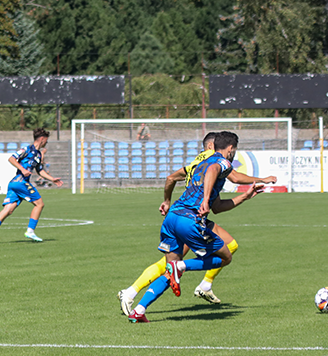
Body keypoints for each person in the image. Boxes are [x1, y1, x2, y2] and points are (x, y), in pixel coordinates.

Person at [118, 133, 277, 313]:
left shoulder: (197, 164)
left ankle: (139, 309)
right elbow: (228, 175)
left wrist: (244, 196)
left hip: (173, 216)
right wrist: (262, 179)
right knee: (223, 257)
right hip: (191, 219)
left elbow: (212, 203)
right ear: (226, 148)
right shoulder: (218, 162)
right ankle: (143, 287)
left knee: (171, 268)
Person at [0, 128, 63, 243]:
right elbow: (11, 158)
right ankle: (30, 231)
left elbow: (40, 171)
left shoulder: (38, 155)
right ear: (42, 139)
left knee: (9, 209)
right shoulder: (27, 149)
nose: (46, 143)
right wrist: (22, 169)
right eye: (46, 140)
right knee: (39, 204)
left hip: (15, 184)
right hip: (20, 182)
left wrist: (52, 179)